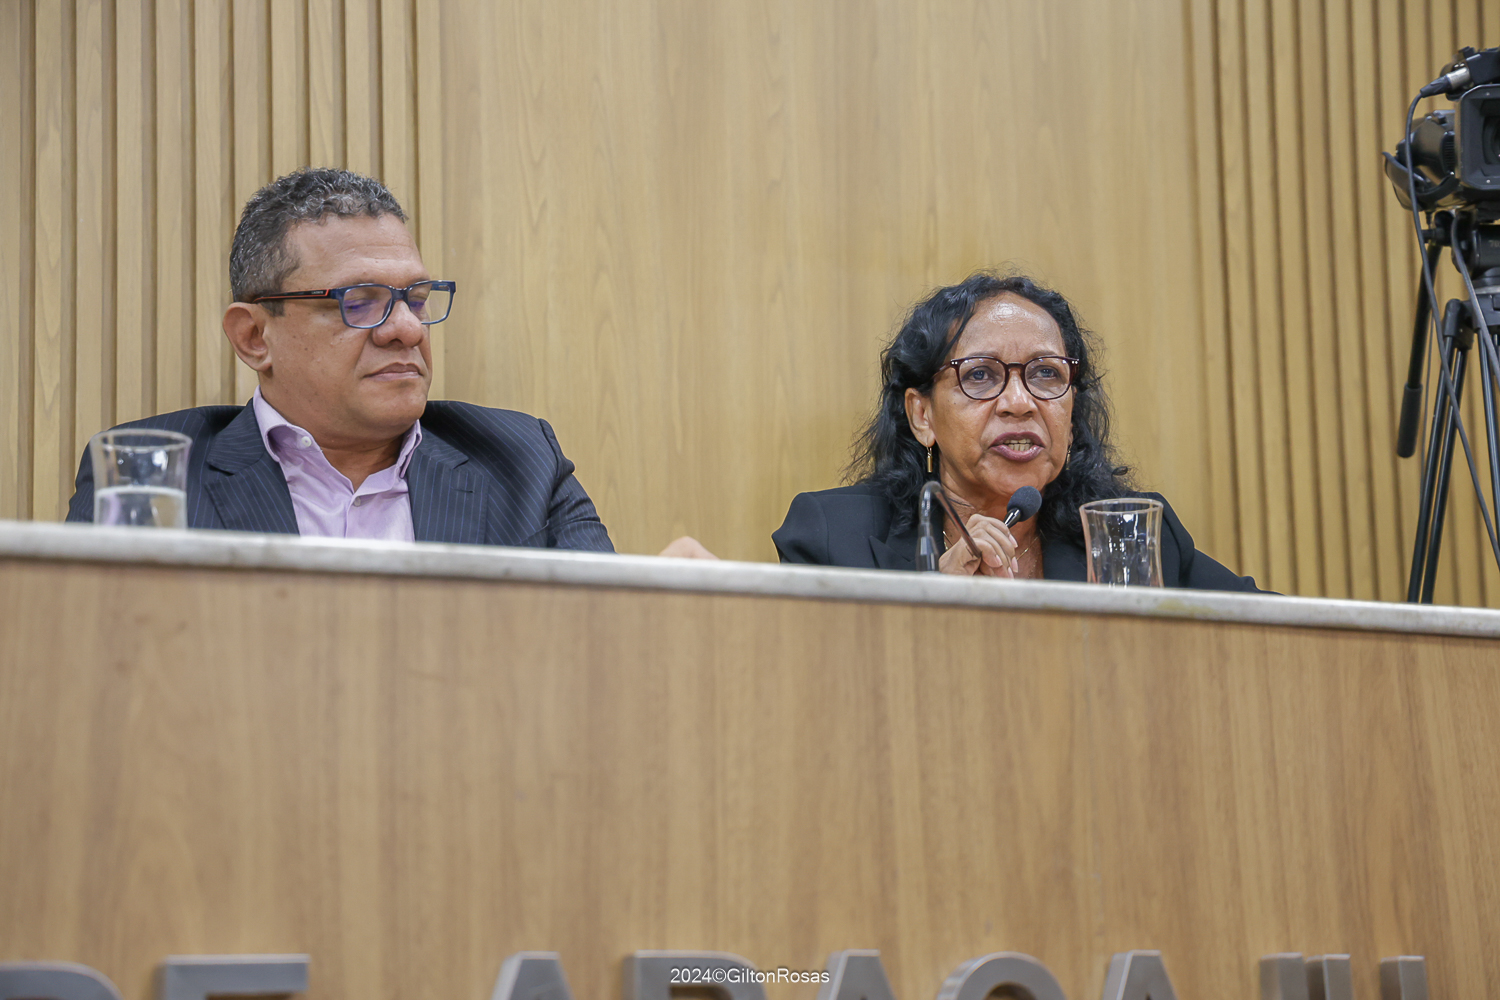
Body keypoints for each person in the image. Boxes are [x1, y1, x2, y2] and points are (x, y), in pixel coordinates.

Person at [66, 167, 612, 550]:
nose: (406, 329)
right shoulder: (150, 476)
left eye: (416, 299)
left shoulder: (521, 463)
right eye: (359, 302)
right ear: (254, 337)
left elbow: (601, 647)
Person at [772, 272, 1260, 590]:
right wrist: (929, 605)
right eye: (980, 375)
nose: (1020, 402)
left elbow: (1274, 637)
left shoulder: (1133, 535)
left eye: (1045, 373)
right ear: (923, 416)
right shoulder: (834, 539)